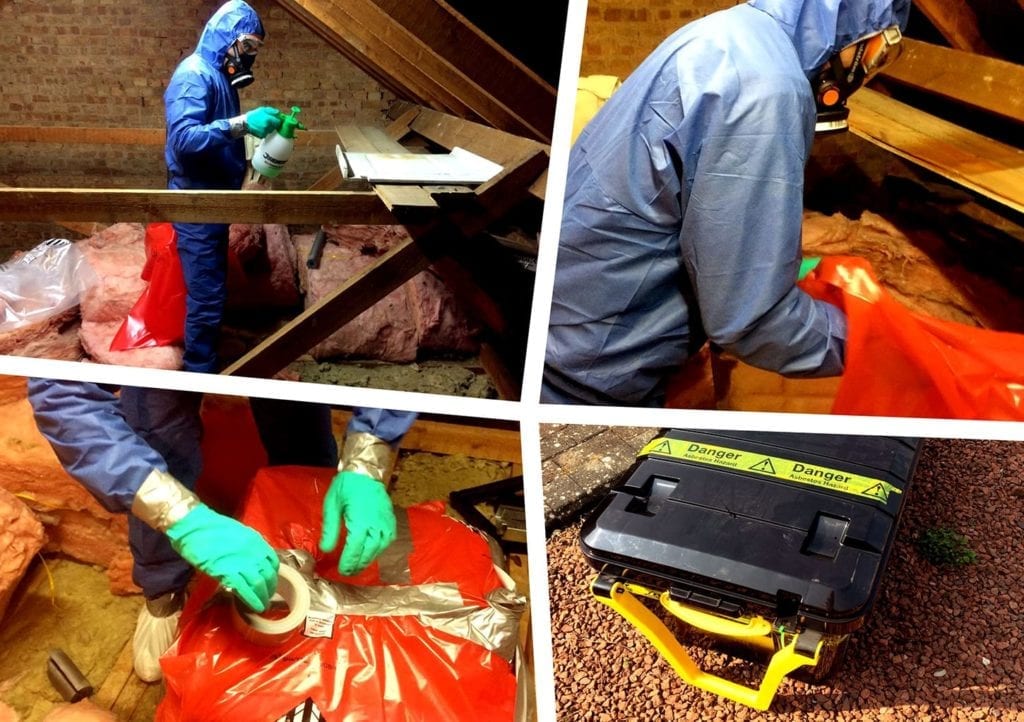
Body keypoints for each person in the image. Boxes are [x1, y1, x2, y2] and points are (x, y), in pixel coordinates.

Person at [542, 0, 910, 406]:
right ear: (857, 20)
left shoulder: (729, 34)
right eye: (882, 48)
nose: (869, 70)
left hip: (570, 322)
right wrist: (883, 343)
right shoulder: (766, 86)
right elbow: (751, 321)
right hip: (590, 371)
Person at [27, 378, 416, 683]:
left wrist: (369, 456)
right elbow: (61, 396)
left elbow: (397, 352)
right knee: (160, 433)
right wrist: (181, 517)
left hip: (287, 330)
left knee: (300, 434)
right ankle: (163, 594)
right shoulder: (90, 284)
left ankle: (311, 565)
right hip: (165, 341)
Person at [164, 0, 284, 373]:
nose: (249, 58)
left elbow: (223, 131)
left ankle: (205, 355)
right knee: (206, 294)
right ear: (224, 37)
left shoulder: (219, 77)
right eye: (246, 47)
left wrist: (252, 152)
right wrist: (244, 123)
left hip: (213, 198)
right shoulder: (193, 75)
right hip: (197, 201)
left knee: (212, 287)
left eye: (255, 51)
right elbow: (183, 140)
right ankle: (199, 376)